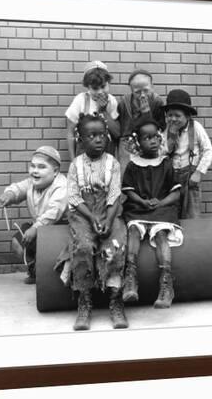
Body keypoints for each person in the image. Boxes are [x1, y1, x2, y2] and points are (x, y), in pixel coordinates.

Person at [57, 113, 128, 331]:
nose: (98, 140)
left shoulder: (112, 163)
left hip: (109, 211)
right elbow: (74, 197)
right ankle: (84, 301)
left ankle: (115, 300)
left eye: (102, 135)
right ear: (81, 140)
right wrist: (92, 217)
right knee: (83, 248)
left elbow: (115, 193)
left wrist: (107, 218)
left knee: (114, 247)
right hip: (83, 213)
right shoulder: (76, 165)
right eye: (92, 136)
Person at [121, 116, 184, 307]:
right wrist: (142, 201)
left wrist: (161, 202)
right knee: (132, 230)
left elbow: (176, 193)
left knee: (161, 234)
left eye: (156, 136)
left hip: (162, 209)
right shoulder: (133, 165)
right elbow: (128, 190)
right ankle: (130, 278)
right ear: (138, 142)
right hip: (139, 208)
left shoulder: (165, 164)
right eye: (147, 138)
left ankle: (166, 284)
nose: (153, 140)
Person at [0, 146, 68, 284]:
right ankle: (34, 270)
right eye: (32, 166)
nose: (35, 171)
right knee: (18, 242)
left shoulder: (62, 185)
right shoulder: (32, 183)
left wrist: (36, 228)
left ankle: (48, 273)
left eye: (42, 167)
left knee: (51, 252)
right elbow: (19, 188)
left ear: (55, 171)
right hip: (40, 230)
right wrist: (10, 194)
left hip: (59, 232)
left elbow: (53, 213)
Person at [161, 89, 212, 219]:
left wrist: (199, 173)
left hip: (190, 177)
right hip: (172, 177)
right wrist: (171, 136)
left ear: (188, 116)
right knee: (172, 212)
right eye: (170, 115)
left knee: (192, 214)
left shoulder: (196, 128)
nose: (173, 119)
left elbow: (208, 150)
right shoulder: (166, 130)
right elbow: (162, 152)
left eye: (177, 116)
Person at [65, 61, 120, 161]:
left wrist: (104, 111)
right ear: (88, 86)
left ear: (109, 84)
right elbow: (70, 132)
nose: (100, 92)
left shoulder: (112, 101)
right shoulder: (81, 100)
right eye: (95, 88)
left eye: (103, 86)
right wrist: (73, 161)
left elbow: (117, 133)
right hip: (84, 158)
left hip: (107, 157)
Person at [111, 69, 166, 171]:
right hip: (127, 143)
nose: (142, 95)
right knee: (126, 174)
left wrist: (147, 114)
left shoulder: (157, 102)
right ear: (131, 90)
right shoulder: (124, 103)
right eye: (137, 92)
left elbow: (161, 127)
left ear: (152, 86)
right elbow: (120, 128)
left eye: (146, 90)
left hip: (150, 141)